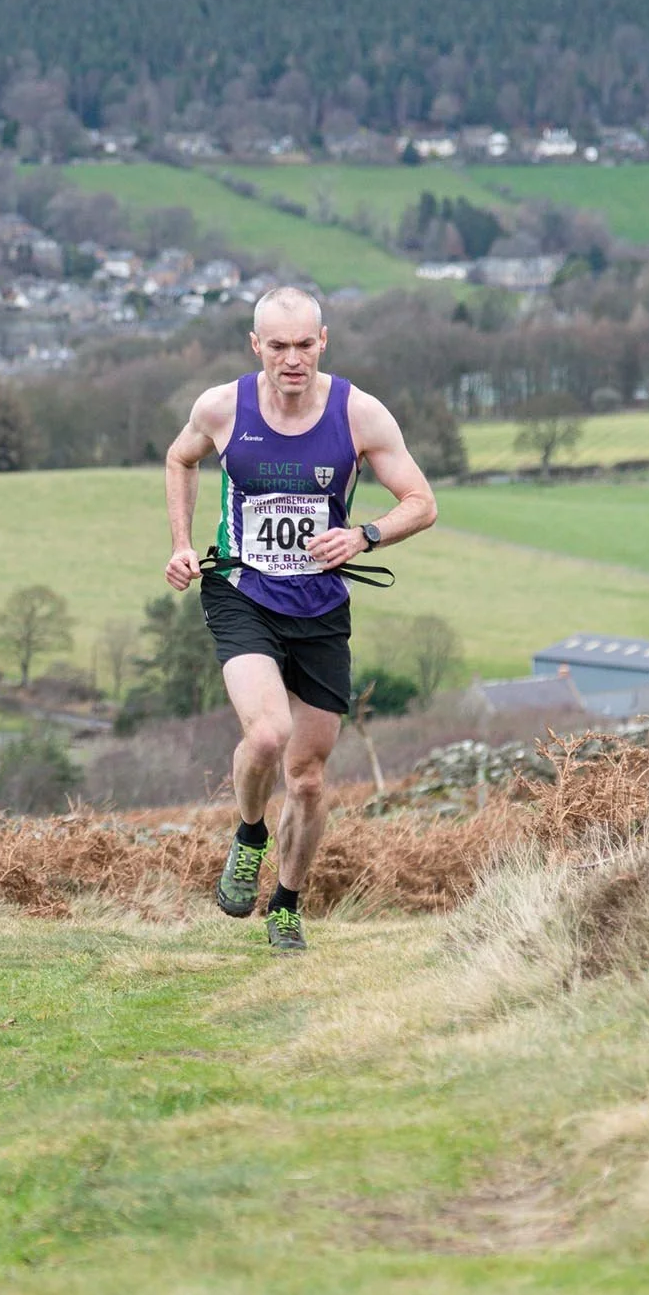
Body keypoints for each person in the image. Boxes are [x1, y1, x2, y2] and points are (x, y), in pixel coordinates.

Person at [162, 286, 436, 952]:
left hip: (320, 608)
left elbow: (422, 501)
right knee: (266, 736)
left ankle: (286, 902)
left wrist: (364, 535)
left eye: (303, 344)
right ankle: (250, 833)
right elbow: (180, 457)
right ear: (256, 346)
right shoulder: (222, 406)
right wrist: (180, 541)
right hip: (241, 591)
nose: (292, 359)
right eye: (277, 345)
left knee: (308, 778)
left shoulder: (359, 414)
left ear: (323, 342)